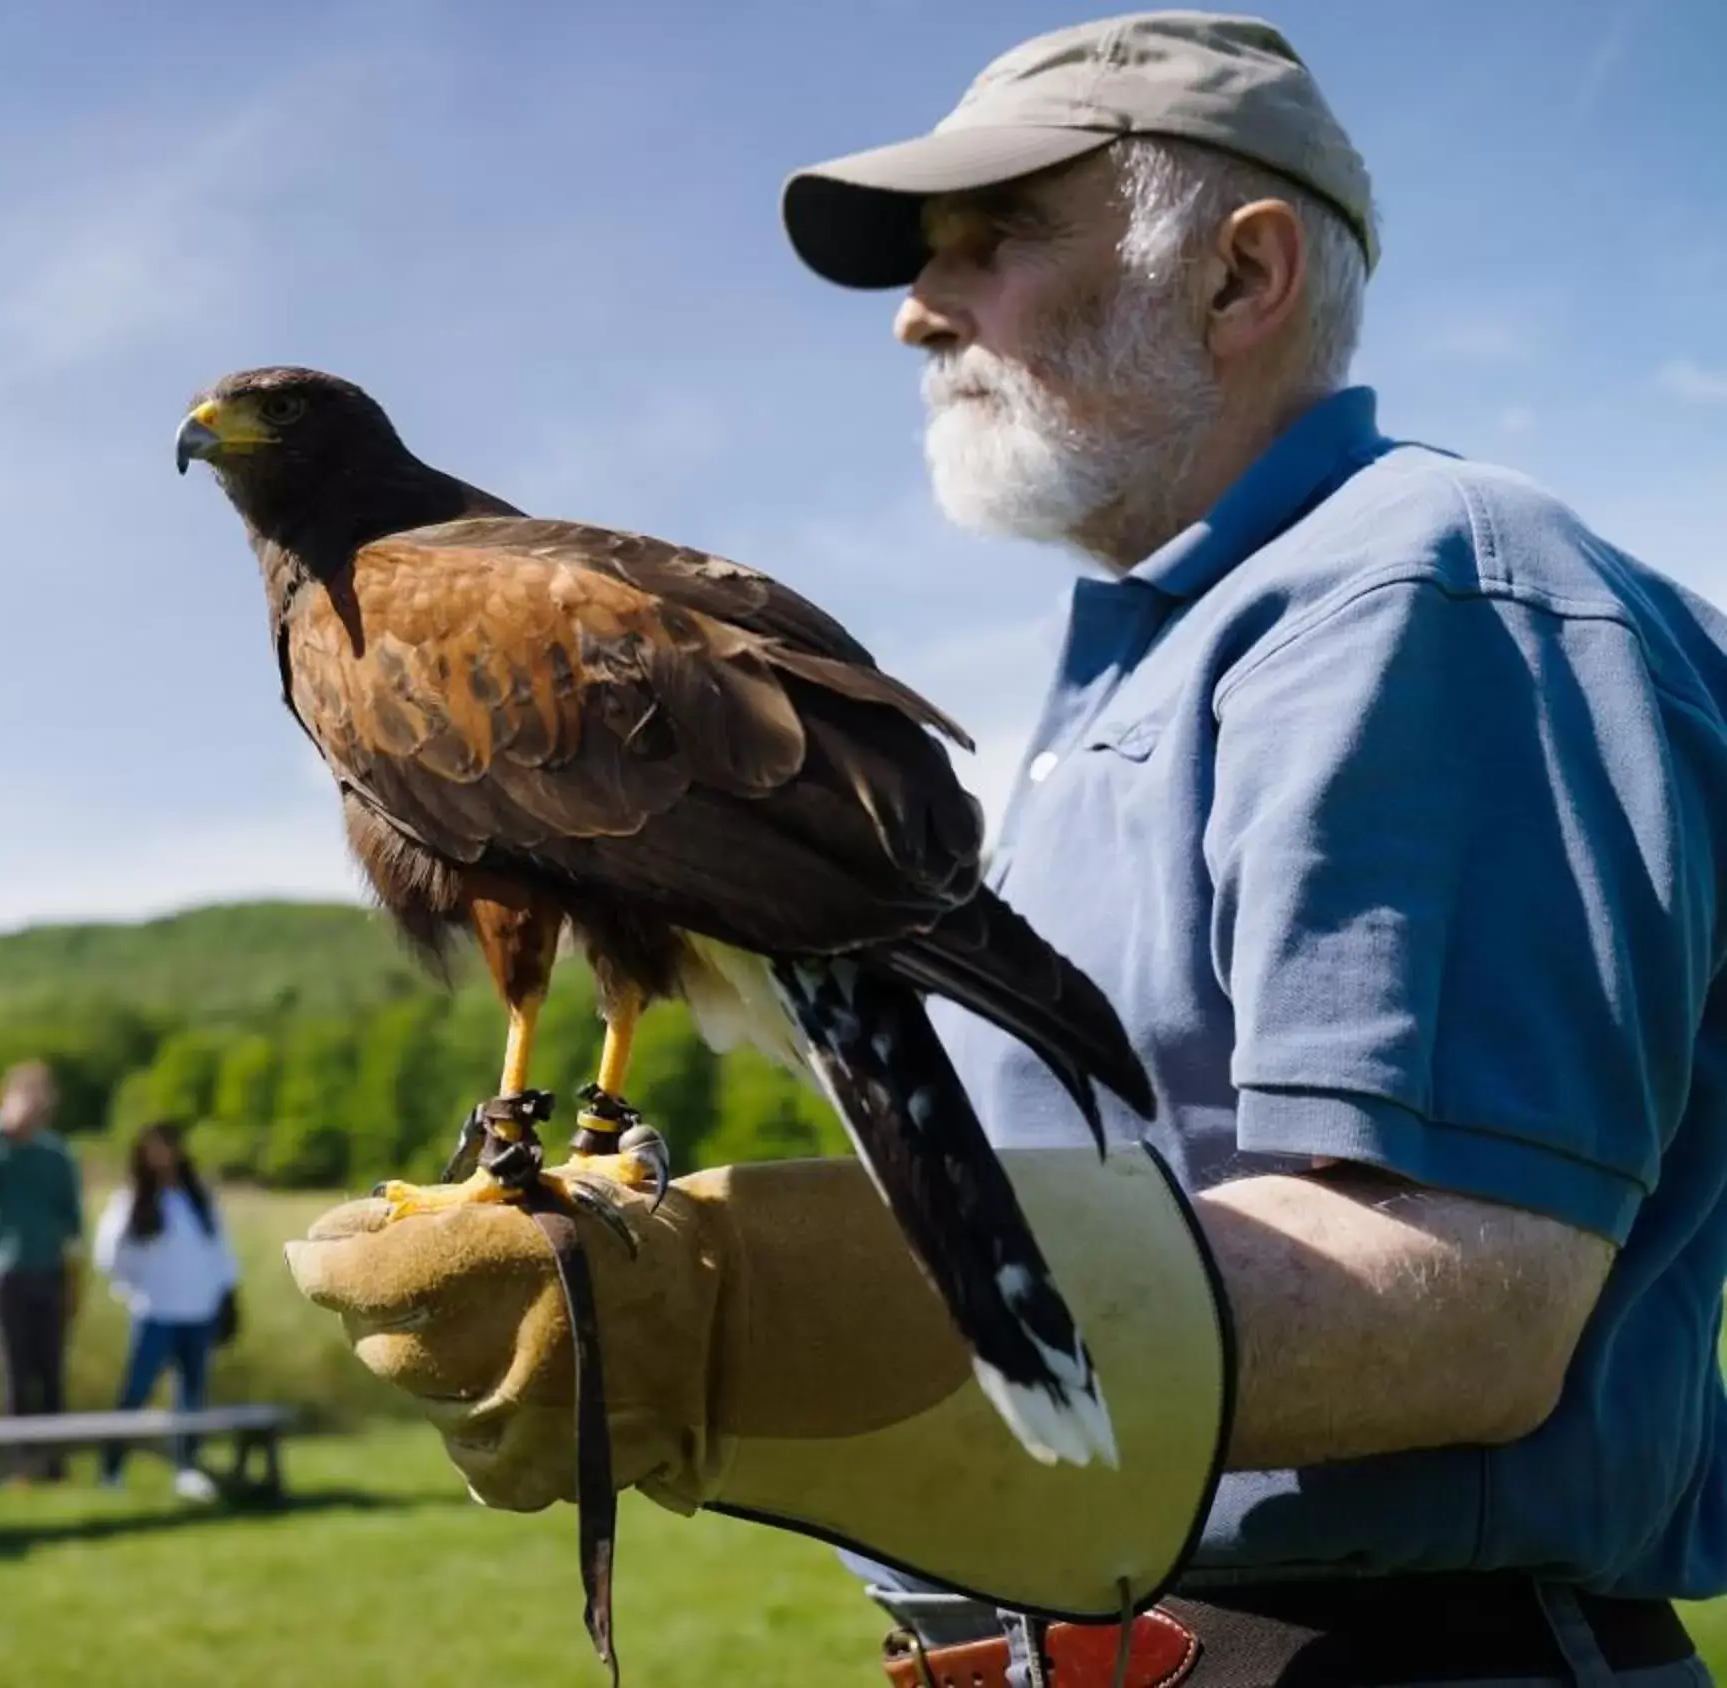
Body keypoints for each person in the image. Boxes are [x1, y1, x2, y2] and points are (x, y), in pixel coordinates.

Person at [297, 13, 1727, 1687]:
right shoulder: (1149, 652)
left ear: (1240, 274)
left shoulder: (1430, 600)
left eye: (994, 241)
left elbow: (1458, 1309)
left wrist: (728, 1314)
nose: (919, 308)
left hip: (1359, 1657)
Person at [90, 1121, 241, 1501]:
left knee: (192, 1395)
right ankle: (112, 1469)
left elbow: (219, 1252)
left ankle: (187, 1467)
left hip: (198, 1312)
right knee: (136, 1393)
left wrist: (226, 1294)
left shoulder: (197, 1198)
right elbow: (108, 1254)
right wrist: (130, 1287)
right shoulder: (134, 1200)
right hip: (155, 1312)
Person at [0, 1060, 85, 1479]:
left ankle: (54, 1463)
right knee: (15, 1372)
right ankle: (20, 1464)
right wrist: (0, 1123)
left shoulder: (56, 1155)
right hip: (5, 1275)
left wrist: (73, 1280)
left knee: (51, 1371)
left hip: (50, 1272)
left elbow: (73, 1223)